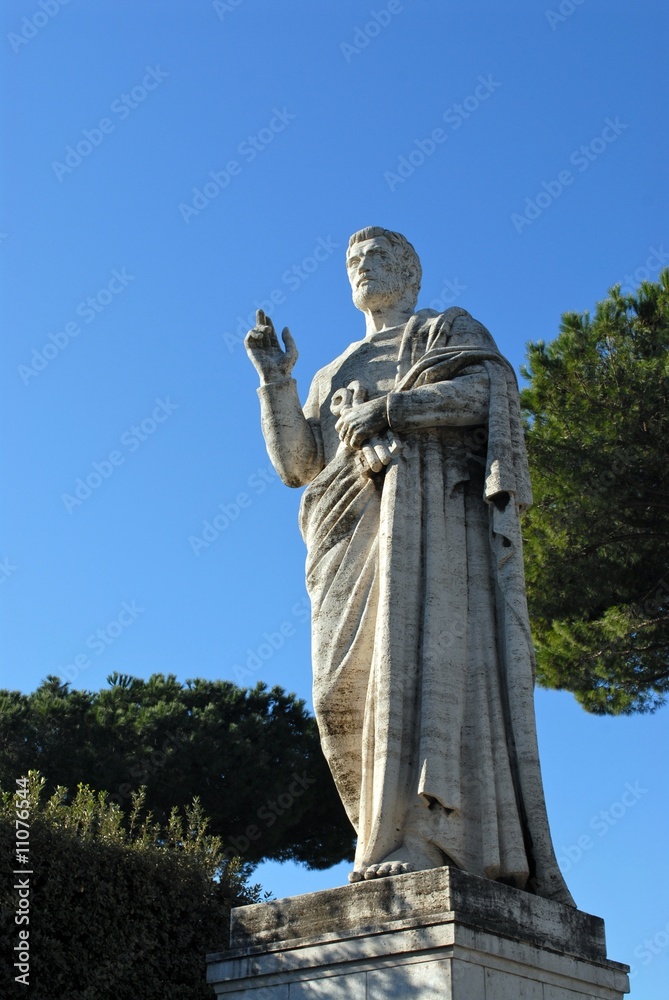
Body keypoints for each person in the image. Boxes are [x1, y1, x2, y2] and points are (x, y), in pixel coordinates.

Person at [245, 226, 574, 905]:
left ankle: (426, 837)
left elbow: (490, 397)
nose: (363, 266)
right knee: (341, 698)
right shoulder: (334, 368)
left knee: (422, 672)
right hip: (342, 539)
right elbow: (299, 466)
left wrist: (392, 408)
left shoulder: (445, 331)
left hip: (430, 528)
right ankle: (376, 833)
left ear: (412, 272)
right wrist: (276, 382)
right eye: (352, 260)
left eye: (378, 255)